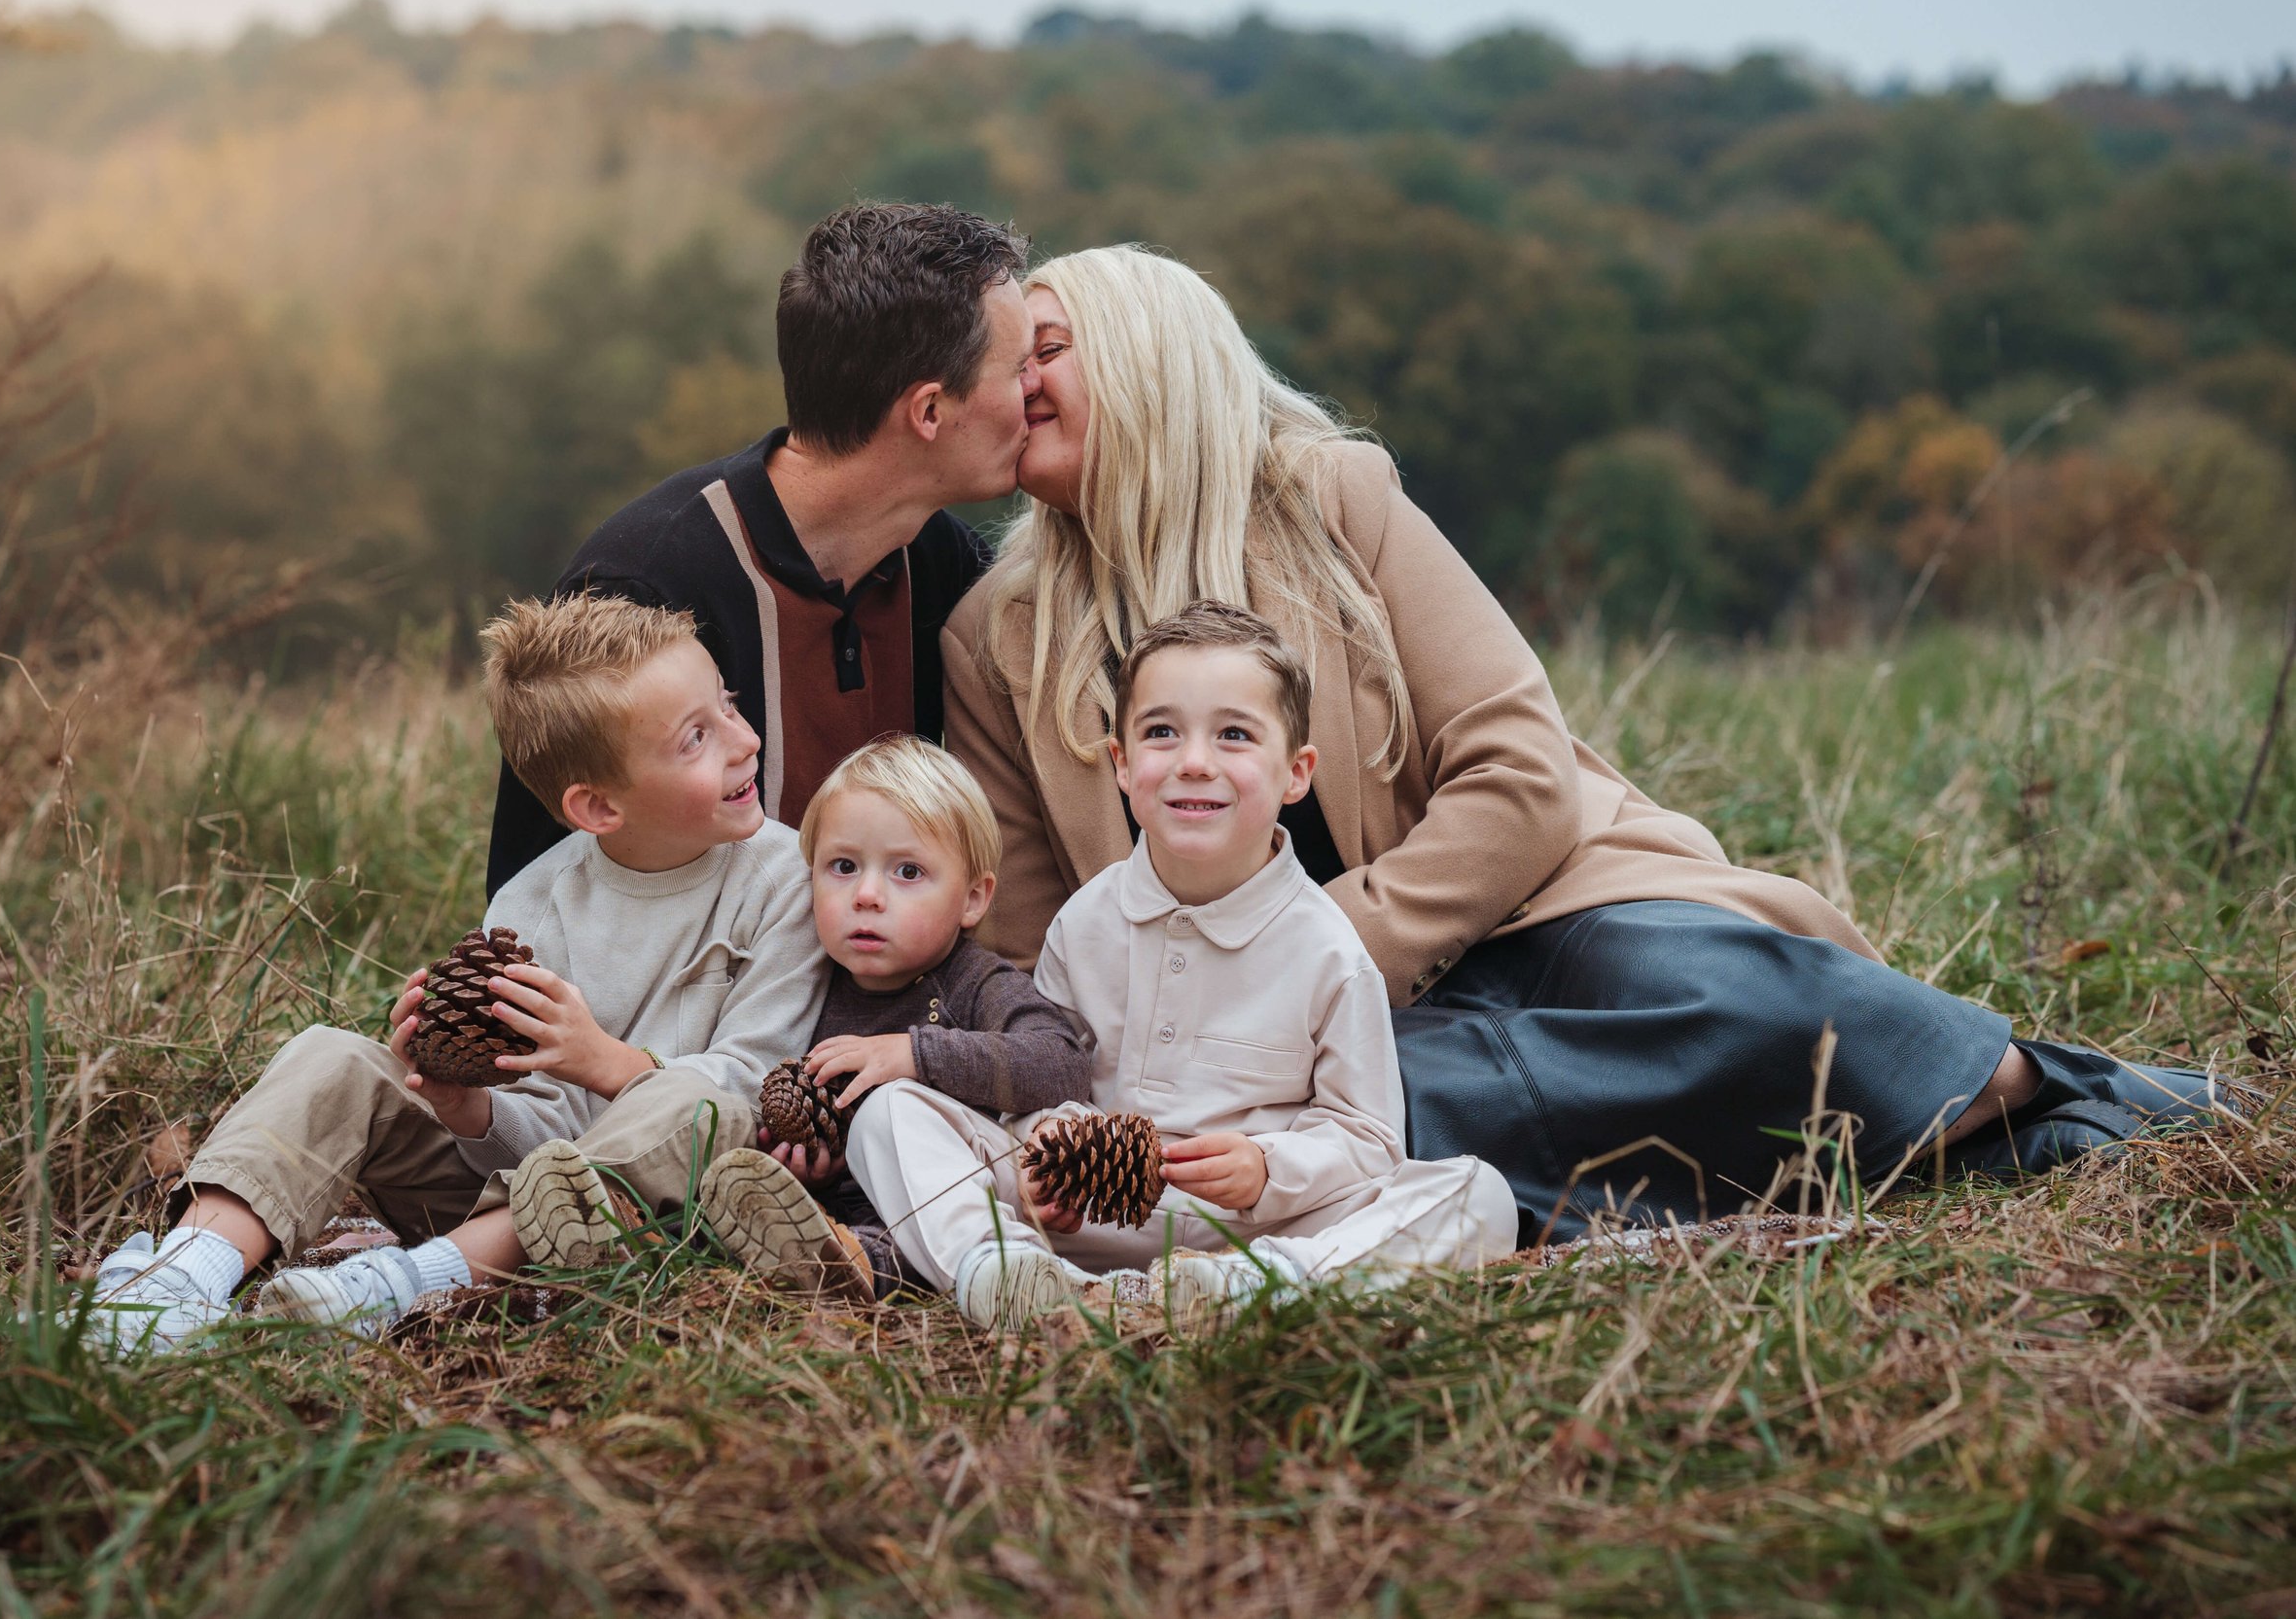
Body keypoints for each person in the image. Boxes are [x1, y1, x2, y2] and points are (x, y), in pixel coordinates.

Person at [941, 244, 2224, 1247]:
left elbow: (1517, 760)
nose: (1020, 382)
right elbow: (1033, 943)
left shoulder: (1332, 498)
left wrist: (1332, 949)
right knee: (1408, 1115)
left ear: (1154, 355)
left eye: (1050, 348)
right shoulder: (998, 631)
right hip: (1275, 1027)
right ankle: (1965, 1141)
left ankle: (2022, 1082)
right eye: (1009, 363)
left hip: (1531, 903)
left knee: (1731, 993)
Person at [74, 595, 824, 1352]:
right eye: (697, 736)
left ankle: (400, 1287)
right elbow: (534, 1141)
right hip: (510, 1201)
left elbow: (755, 1091)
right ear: (597, 806)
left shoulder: (786, 879)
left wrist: (610, 1064)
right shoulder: (535, 900)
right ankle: (171, 1282)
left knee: (693, 1104)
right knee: (329, 1054)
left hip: (666, 1206)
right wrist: (471, 1110)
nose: (744, 739)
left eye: (727, 705)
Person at [854, 603, 1517, 1330]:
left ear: (1296, 772)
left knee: (1473, 1195)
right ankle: (1007, 1276)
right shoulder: (1085, 922)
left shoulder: (1327, 949)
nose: (1194, 759)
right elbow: (1045, 1077)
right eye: (1161, 732)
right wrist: (1052, 1151)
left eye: (1233, 734)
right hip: (1078, 1223)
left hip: (1252, 1230)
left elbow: (1368, 1139)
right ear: (1123, 765)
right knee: (890, 1113)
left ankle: (1253, 1290)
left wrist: (1267, 1168)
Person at [484, 201, 1040, 896]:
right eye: (1019, 369)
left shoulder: (939, 562)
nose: (1037, 389)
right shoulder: (643, 587)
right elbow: (537, 899)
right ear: (928, 411)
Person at [692, 735, 1093, 1302]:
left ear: (973, 900)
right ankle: (839, 1261)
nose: (868, 895)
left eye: (907, 871)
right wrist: (811, 1164)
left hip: (970, 1195)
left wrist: (912, 1055)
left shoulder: (976, 982)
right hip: (848, 1212)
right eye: (843, 866)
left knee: (901, 1152)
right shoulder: (803, 983)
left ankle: (971, 1269)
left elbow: (1061, 1063)